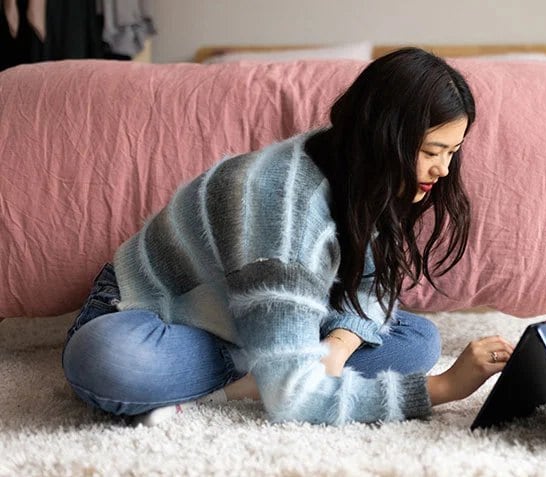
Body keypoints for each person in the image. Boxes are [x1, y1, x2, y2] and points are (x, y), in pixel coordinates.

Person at [61, 47, 515, 426]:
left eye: (452, 152)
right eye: (432, 152)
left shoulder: (359, 170)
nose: (444, 170)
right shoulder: (284, 212)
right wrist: (442, 388)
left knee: (417, 340)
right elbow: (296, 404)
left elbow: (373, 283)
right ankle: (259, 374)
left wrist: (338, 344)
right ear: (382, 140)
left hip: (255, 311)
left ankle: (261, 369)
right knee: (110, 362)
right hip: (156, 313)